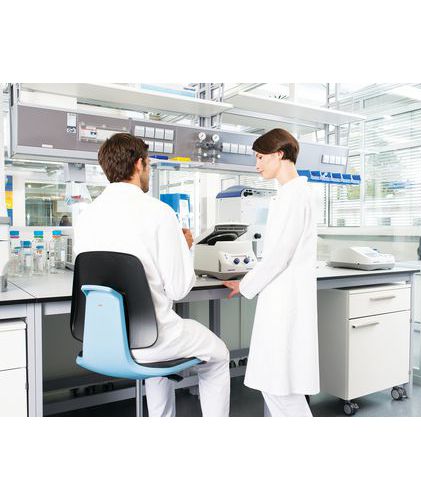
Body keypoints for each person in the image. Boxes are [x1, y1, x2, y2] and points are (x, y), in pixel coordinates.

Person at [74, 133, 230, 417]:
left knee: (157, 343)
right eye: (148, 164)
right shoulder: (159, 212)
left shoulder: (86, 216)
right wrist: (184, 248)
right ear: (139, 164)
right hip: (152, 340)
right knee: (218, 355)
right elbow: (179, 289)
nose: (149, 170)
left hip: (102, 340)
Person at [224, 128, 319, 417]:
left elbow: (279, 256)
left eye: (260, 157)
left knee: (278, 386)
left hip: (285, 300)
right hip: (282, 295)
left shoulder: (294, 196)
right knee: (277, 385)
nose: (257, 164)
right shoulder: (290, 194)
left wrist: (245, 285)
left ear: (279, 154)